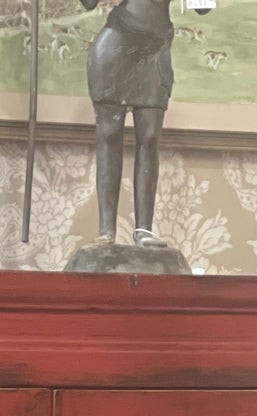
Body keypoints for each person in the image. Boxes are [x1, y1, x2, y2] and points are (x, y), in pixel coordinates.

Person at [81, 0, 176, 245]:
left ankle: (144, 229)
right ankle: (106, 231)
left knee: (150, 136)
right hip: (116, 45)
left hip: (156, 50)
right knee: (110, 134)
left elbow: (203, 6)